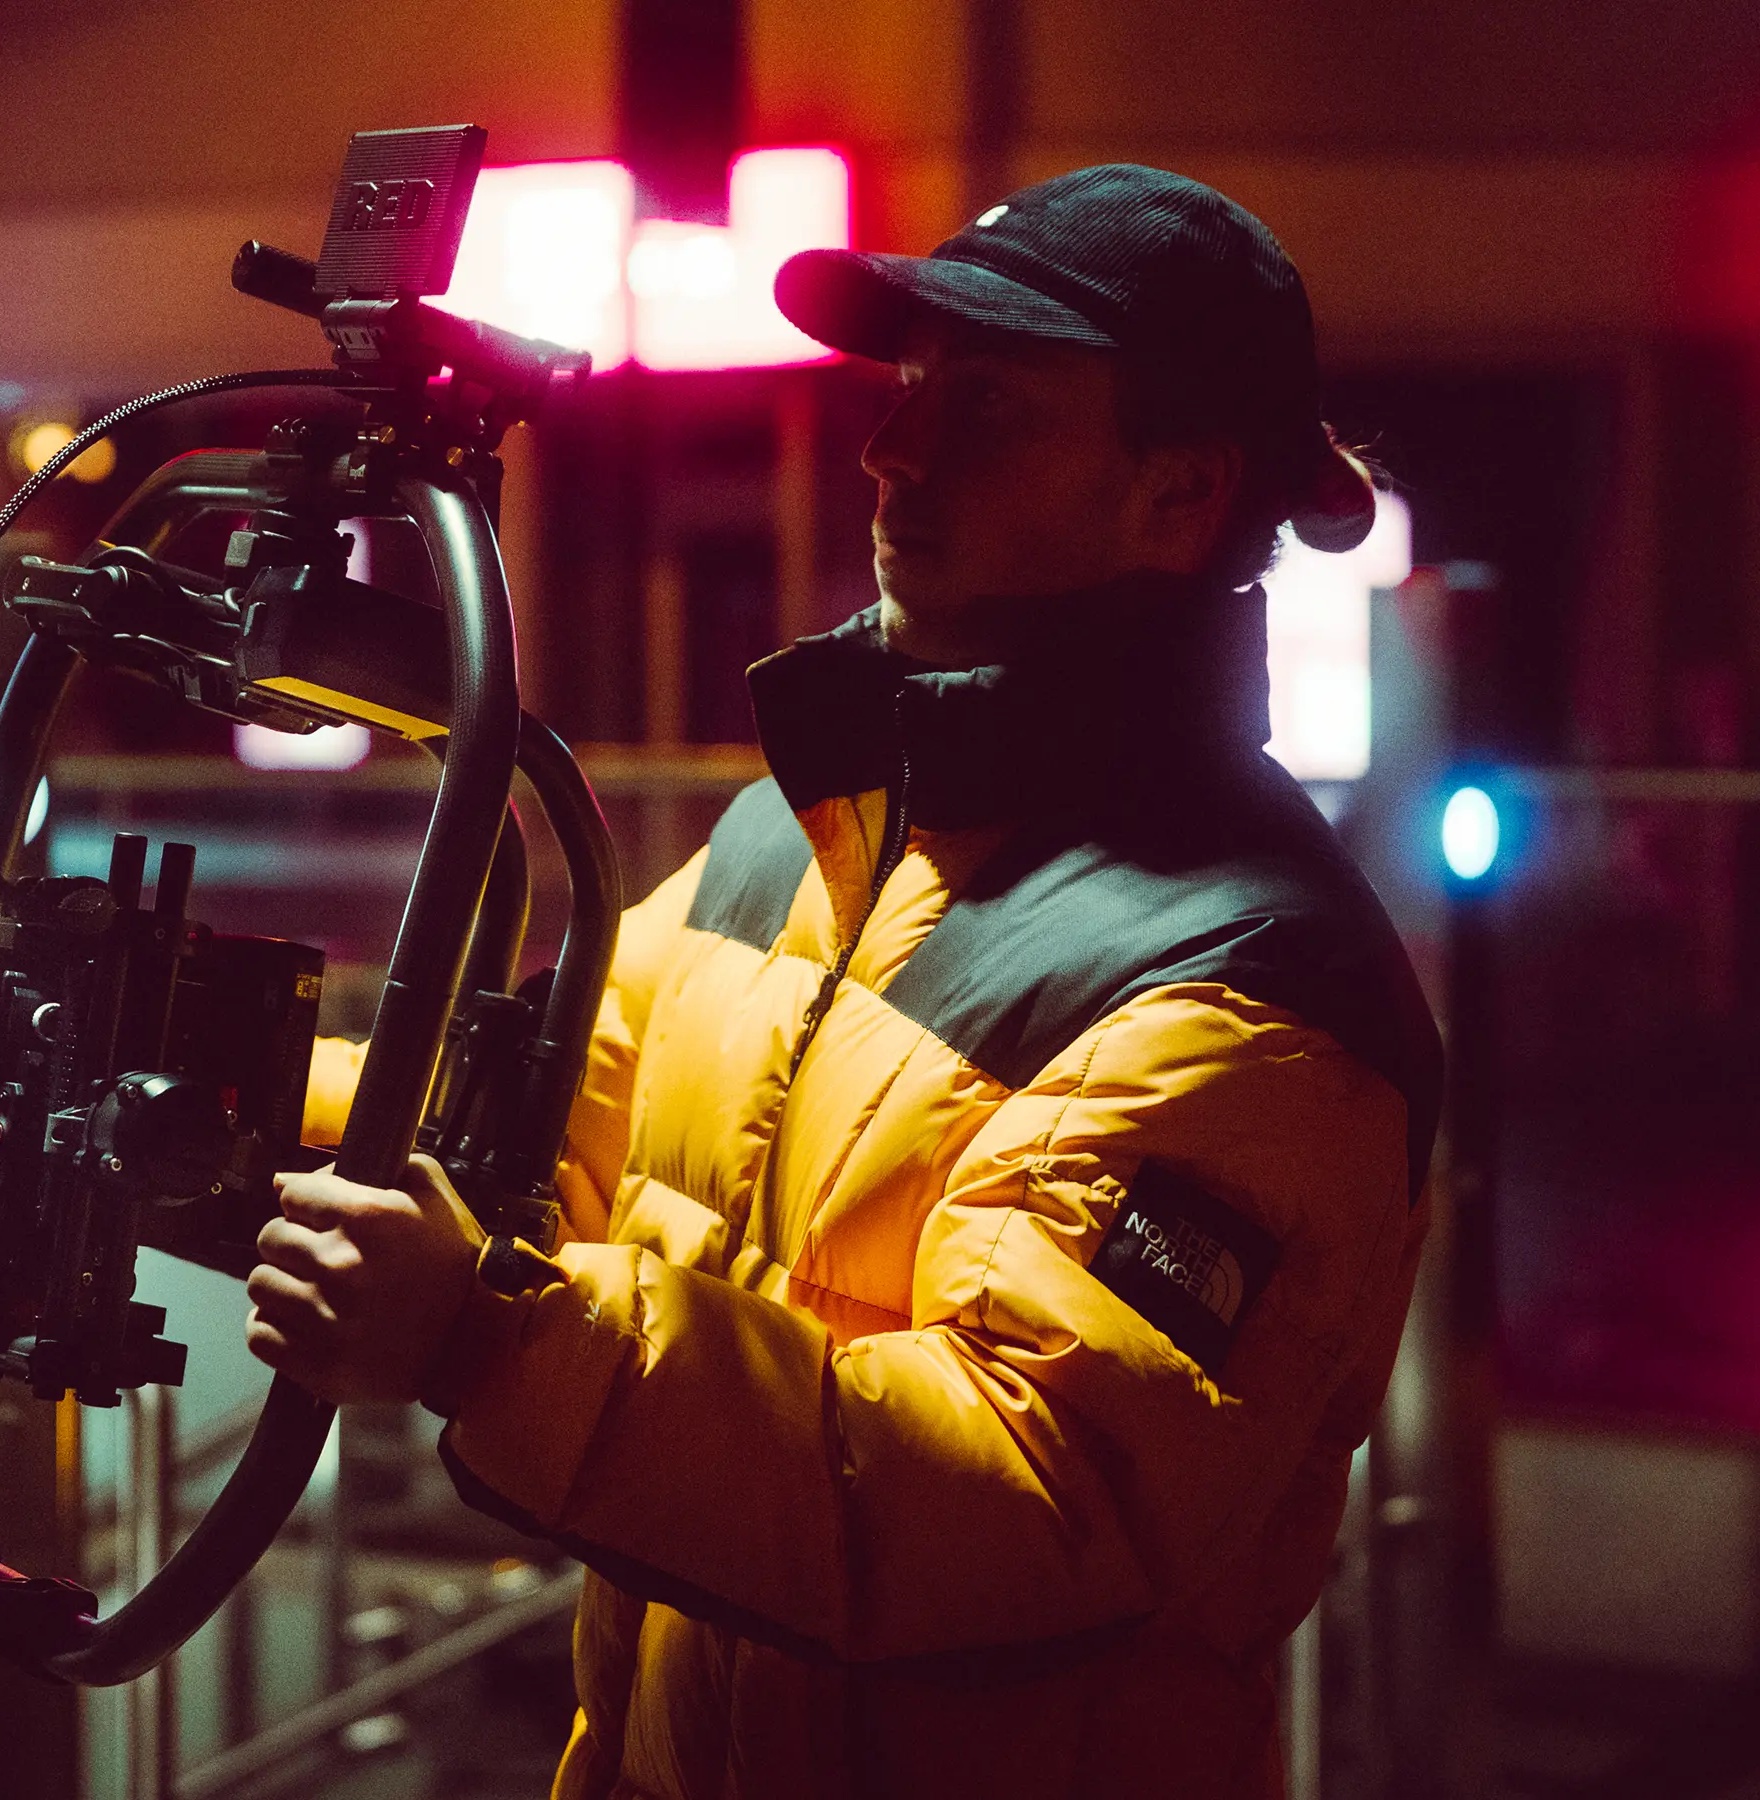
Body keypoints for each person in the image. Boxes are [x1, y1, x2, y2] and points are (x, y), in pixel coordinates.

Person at [245, 164, 1444, 1800]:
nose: (894, 448)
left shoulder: (1246, 991)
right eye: (907, 388)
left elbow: (1025, 1499)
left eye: (993, 408)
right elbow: (520, 1129)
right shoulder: (793, 840)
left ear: (1176, 497)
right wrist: (184, 1072)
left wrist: (491, 1344)